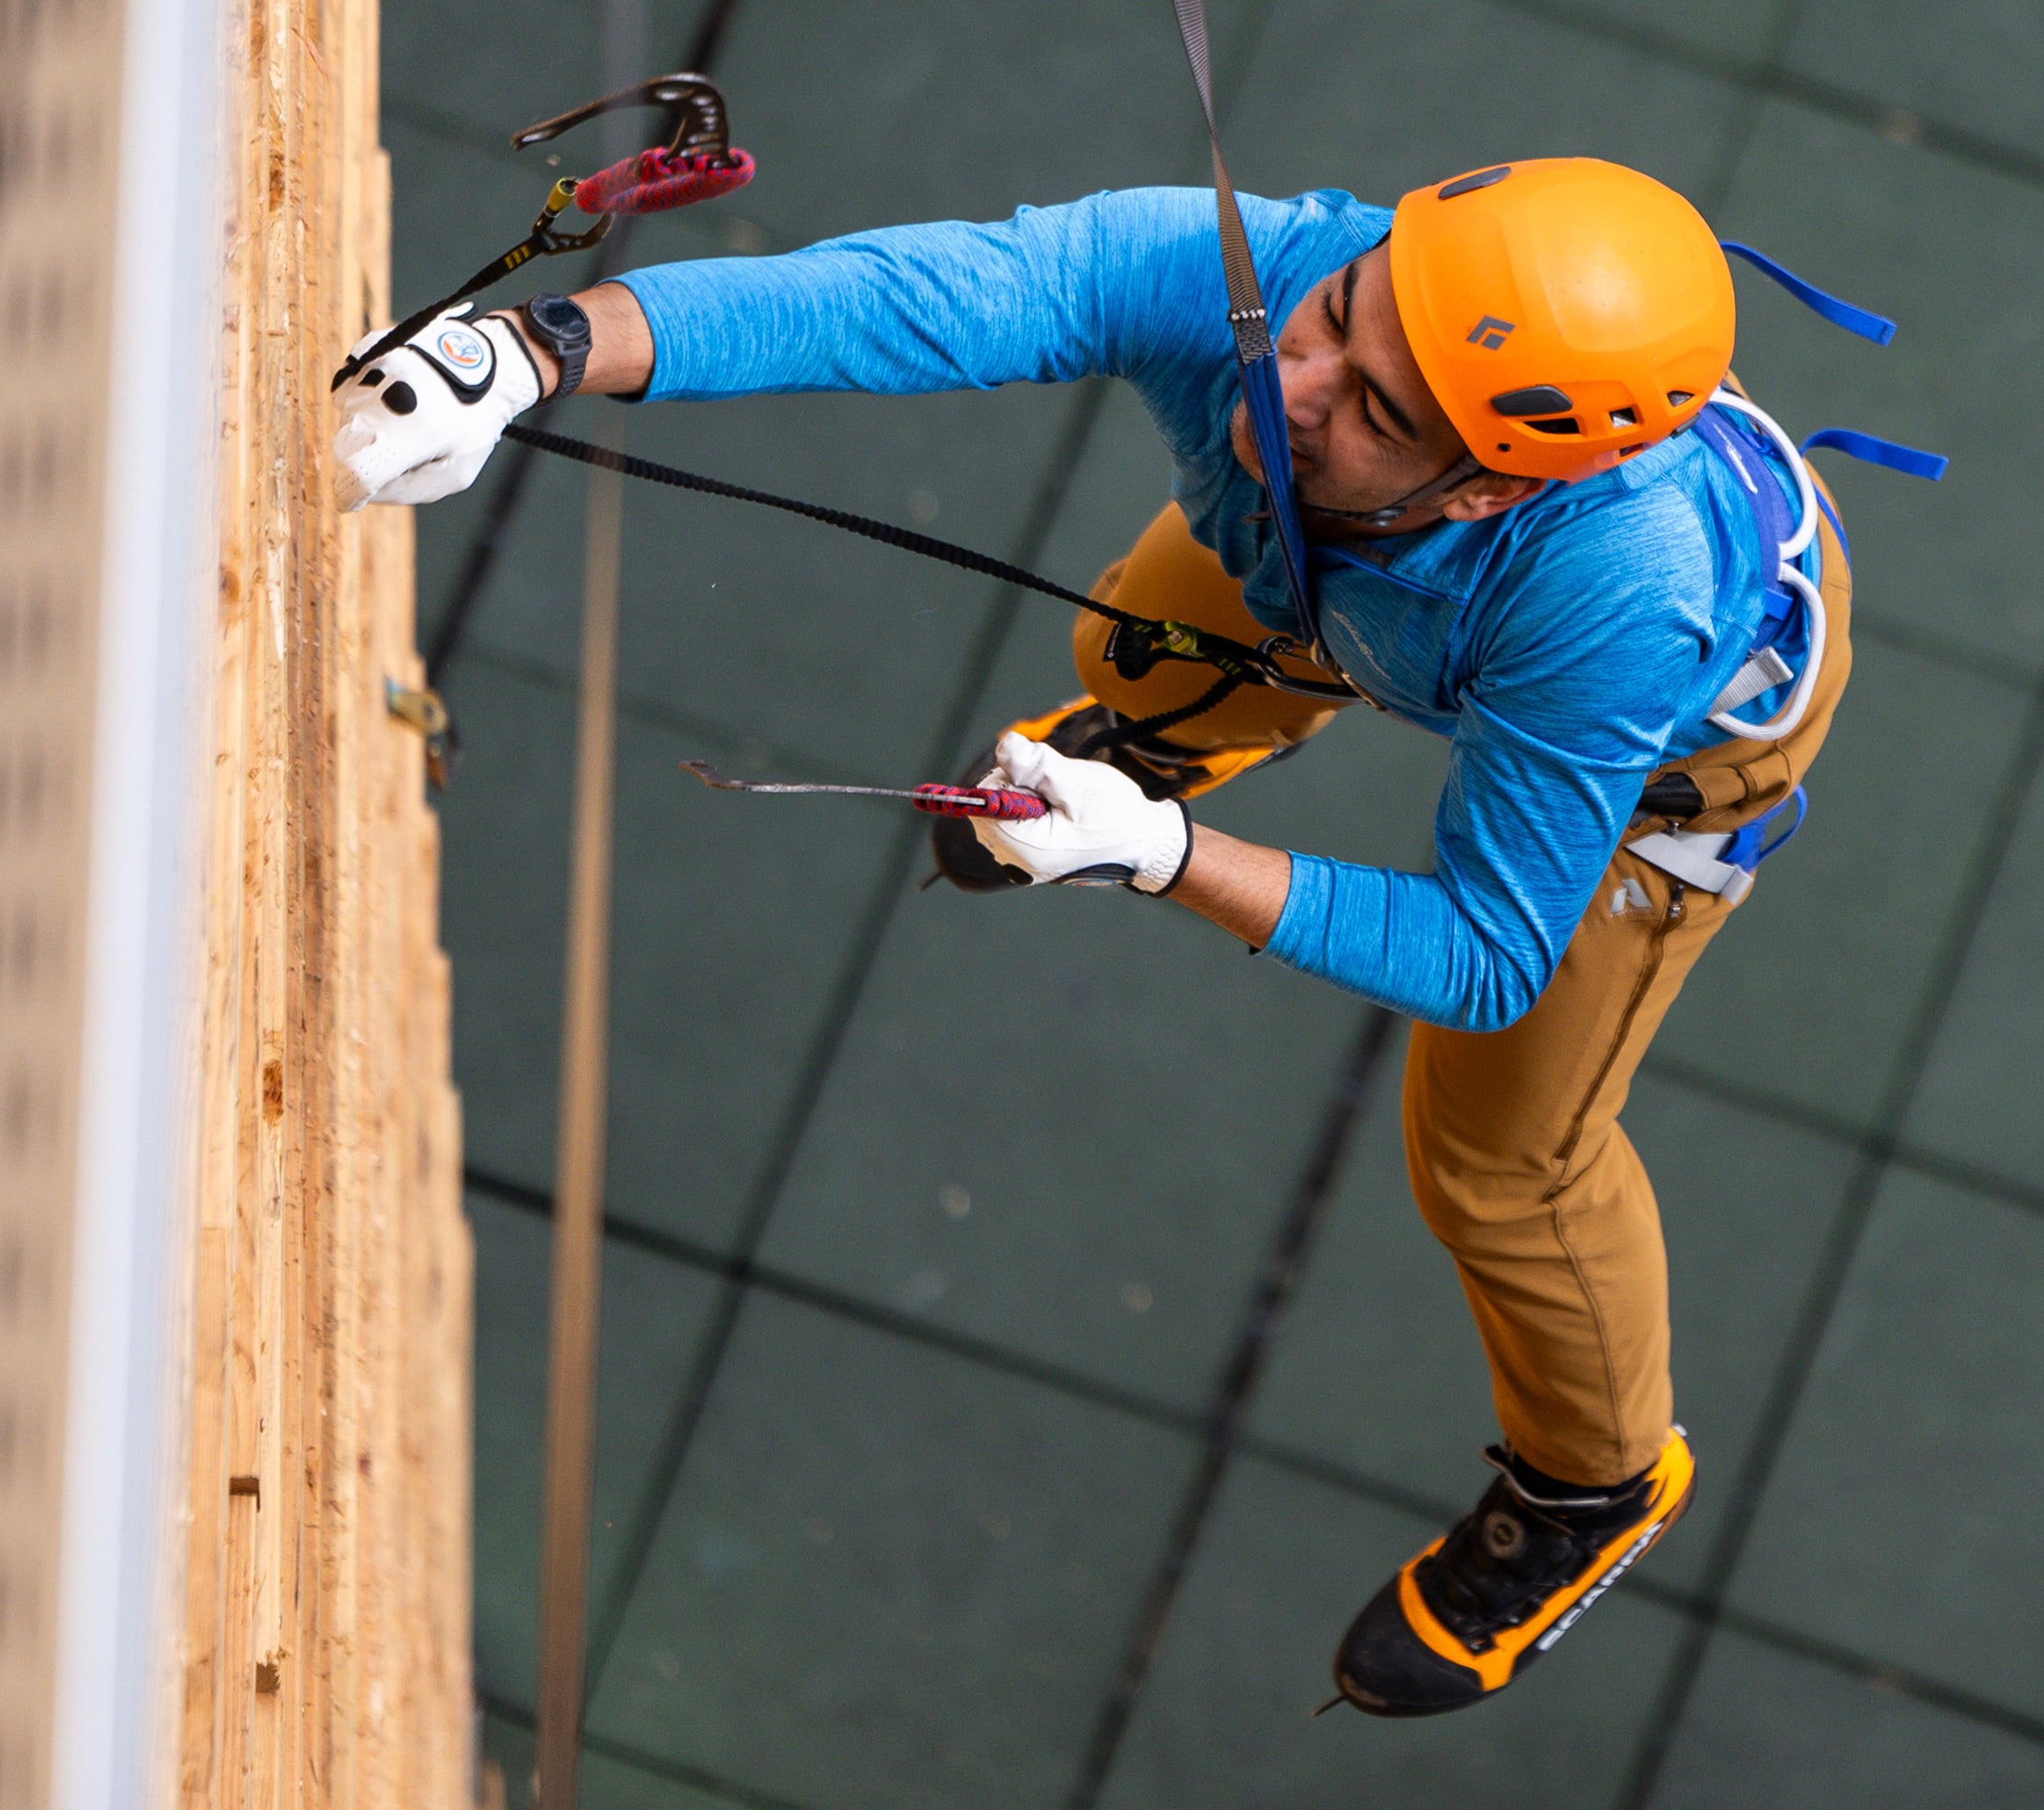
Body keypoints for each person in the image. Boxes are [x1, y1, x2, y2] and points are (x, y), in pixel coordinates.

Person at [335, 158, 1898, 1719]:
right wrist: (535, 349)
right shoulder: (1263, 274)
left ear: (1490, 485)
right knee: (1136, 651)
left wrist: (1164, 857)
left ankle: (1596, 1486)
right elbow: (926, 296)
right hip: (1369, 585)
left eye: (1375, 410)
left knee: (1500, 1160)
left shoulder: (1619, 601)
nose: (1290, 377)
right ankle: (1170, 733)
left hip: (1661, 761)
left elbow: (1490, 954)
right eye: (1340, 317)